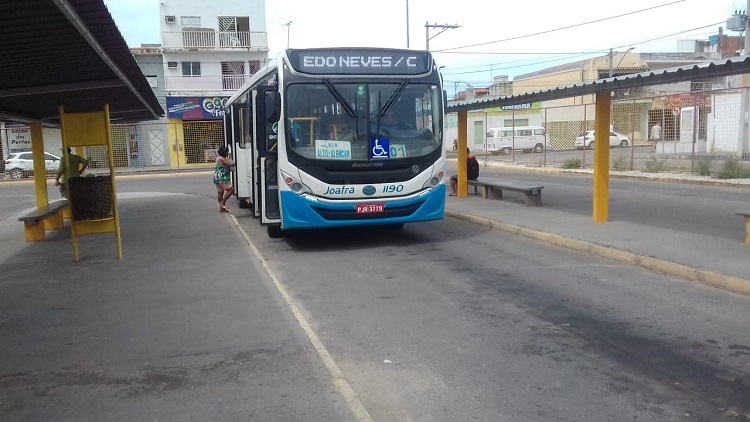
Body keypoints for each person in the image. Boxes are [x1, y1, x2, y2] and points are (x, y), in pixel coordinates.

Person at [213, 146, 236, 212]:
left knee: (220, 192)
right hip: (222, 177)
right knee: (231, 189)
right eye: (227, 152)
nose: (227, 153)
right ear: (224, 153)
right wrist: (237, 161)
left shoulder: (219, 158)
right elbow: (230, 165)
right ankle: (222, 203)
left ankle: (222, 208)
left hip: (217, 177)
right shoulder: (221, 159)